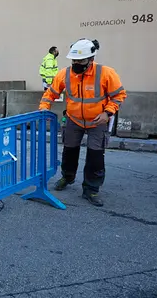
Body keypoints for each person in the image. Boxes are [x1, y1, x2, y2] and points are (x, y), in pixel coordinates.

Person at [38, 39, 126, 207]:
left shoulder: (106, 73)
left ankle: (91, 189)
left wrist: (107, 113)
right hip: (73, 119)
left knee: (95, 156)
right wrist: (44, 107)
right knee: (69, 152)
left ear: (91, 59)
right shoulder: (65, 74)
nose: (76, 64)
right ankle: (67, 177)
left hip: (97, 121)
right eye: (74, 60)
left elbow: (119, 96)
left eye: (81, 61)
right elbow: (51, 93)